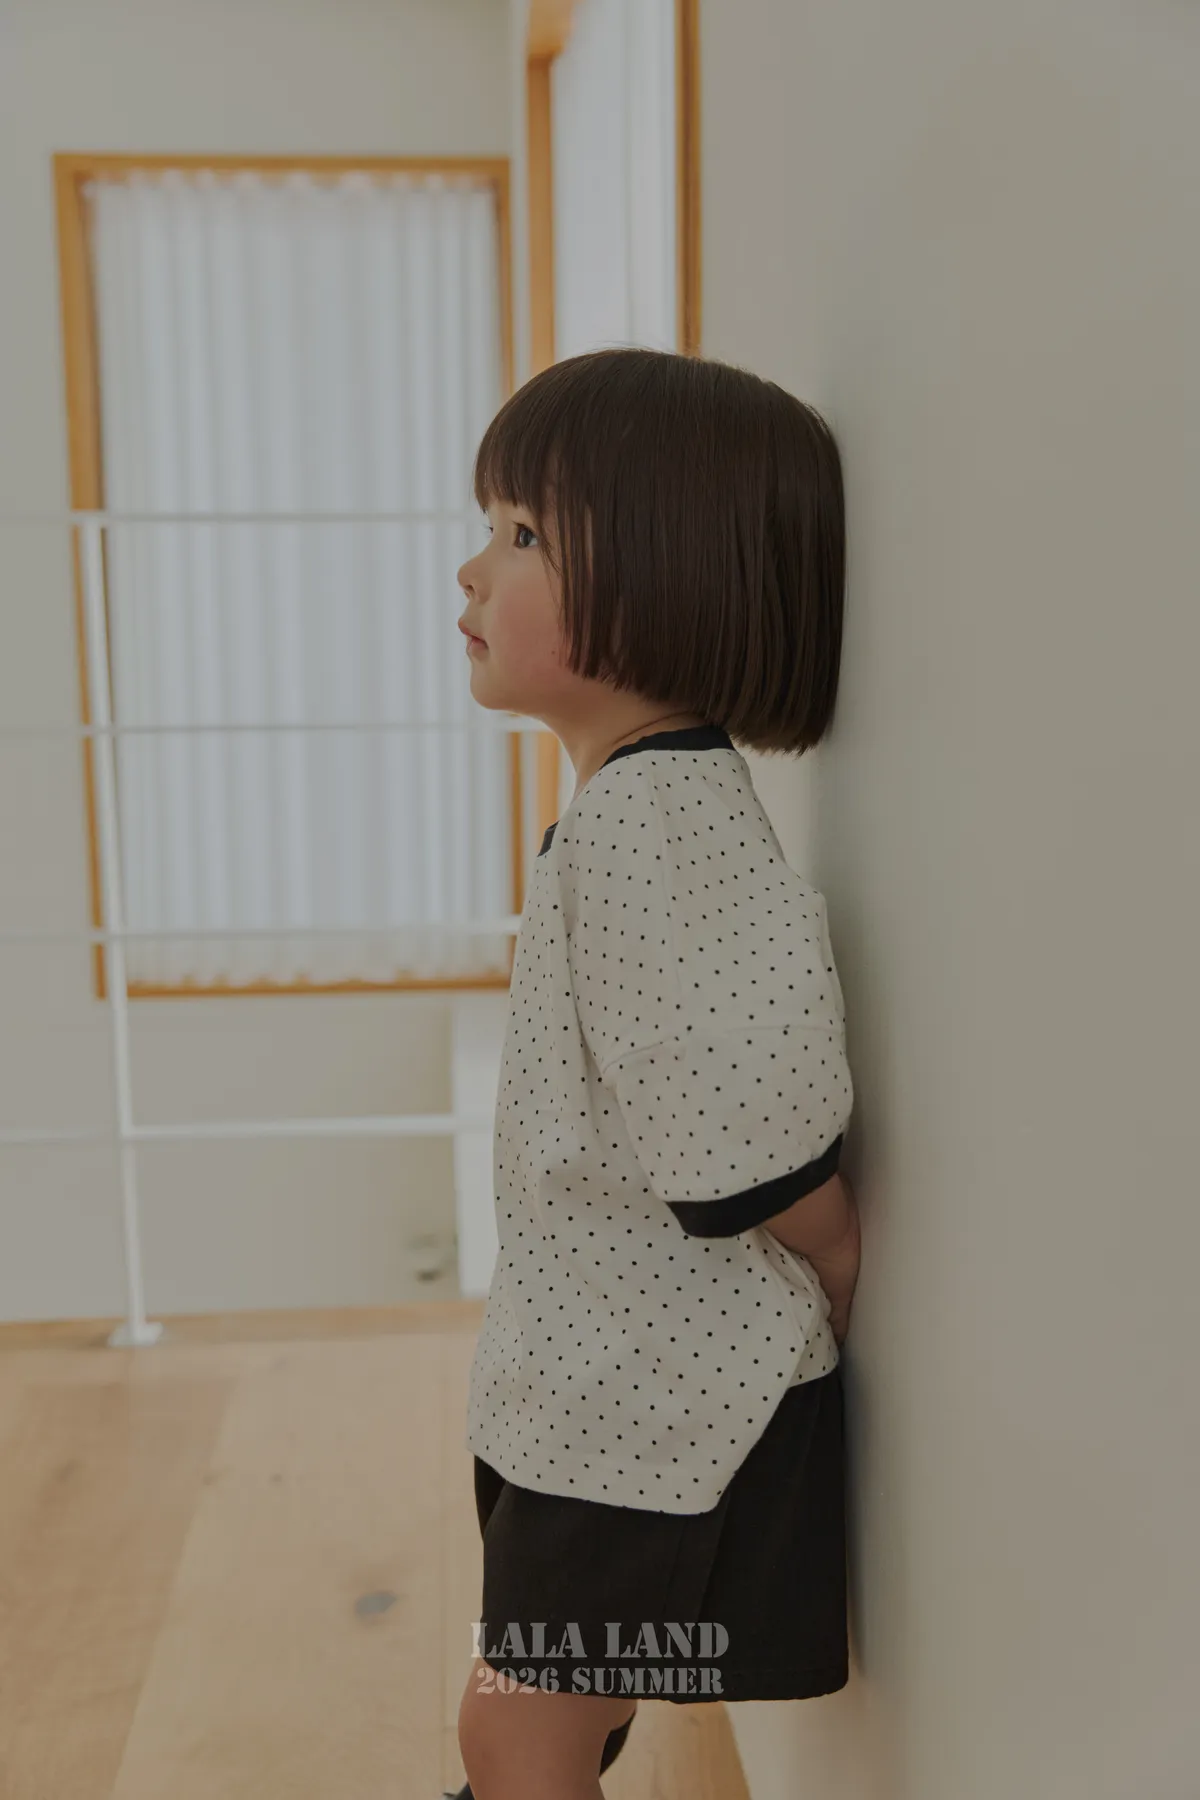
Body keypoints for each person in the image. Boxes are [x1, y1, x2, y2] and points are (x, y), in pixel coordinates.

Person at [444, 346, 861, 1800]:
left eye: (523, 536)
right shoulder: (638, 804)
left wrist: (835, 1256)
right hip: (607, 1379)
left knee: (519, 1723)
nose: (472, 571)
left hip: (649, 1392)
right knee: (563, 1699)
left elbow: (735, 1108)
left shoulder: (655, 820)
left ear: (670, 576)